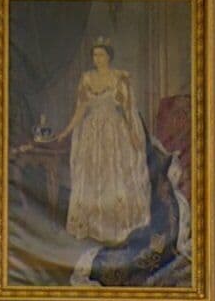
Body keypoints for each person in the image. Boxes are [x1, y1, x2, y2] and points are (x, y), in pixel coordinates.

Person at [62, 40, 151, 247]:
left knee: (114, 173)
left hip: (114, 131)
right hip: (92, 134)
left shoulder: (120, 78)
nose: (97, 59)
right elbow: (81, 108)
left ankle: (115, 226)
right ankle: (92, 226)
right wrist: (66, 131)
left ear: (108, 56)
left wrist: (133, 134)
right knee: (92, 175)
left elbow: (128, 110)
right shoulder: (87, 78)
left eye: (101, 55)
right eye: (94, 55)